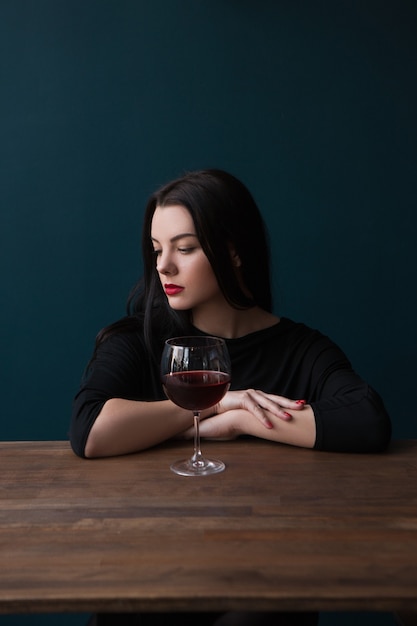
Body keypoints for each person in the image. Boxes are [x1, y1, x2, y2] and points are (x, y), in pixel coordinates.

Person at [70, 169, 391, 626]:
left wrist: (243, 420)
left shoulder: (301, 349)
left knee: (272, 606)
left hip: (261, 567)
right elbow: (90, 431)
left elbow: (367, 420)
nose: (164, 267)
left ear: (234, 251)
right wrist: (214, 407)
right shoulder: (137, 339)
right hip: (148, 567)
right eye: (157, 250)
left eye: (185, 248)